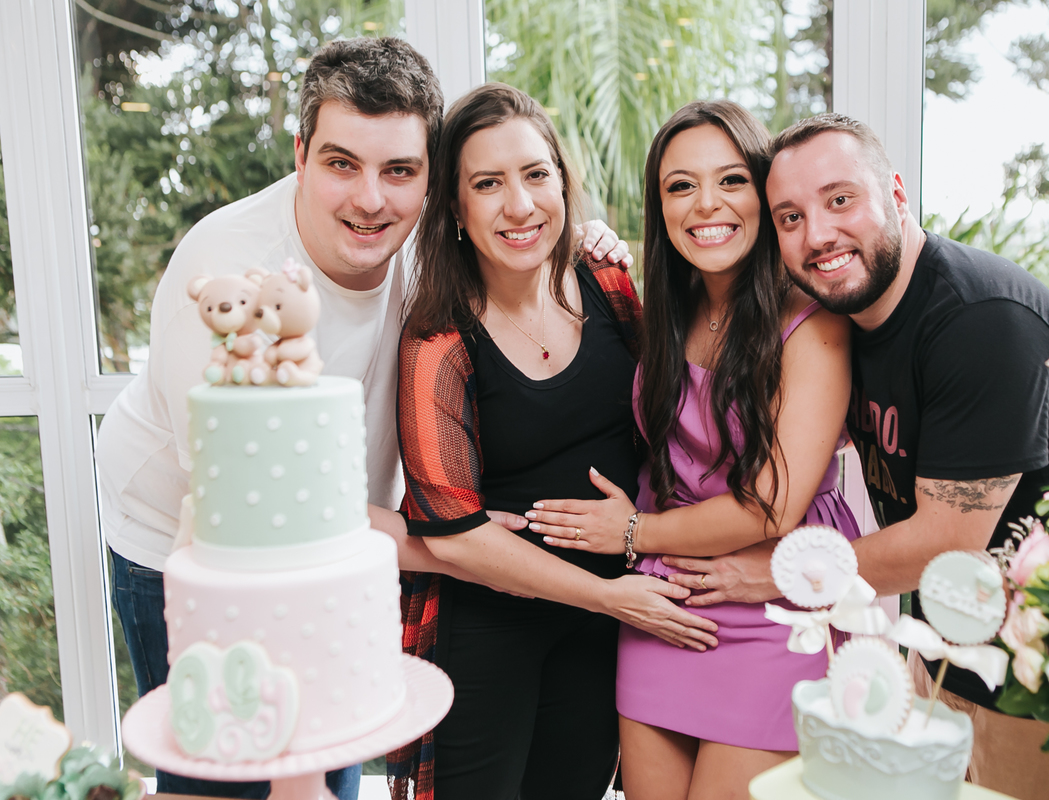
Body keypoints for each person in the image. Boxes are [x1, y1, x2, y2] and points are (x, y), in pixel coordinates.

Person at [95, 37, 628, 798]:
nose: (371, 199)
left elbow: (522, 228)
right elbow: (265, 504)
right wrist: (472, 552)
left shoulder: (424, 242)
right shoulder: (229, 275)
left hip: (351, 543)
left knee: (336, 749)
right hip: (191, 544)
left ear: (430, 179)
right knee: (232, 776)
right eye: (342, 164)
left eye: (400, 171)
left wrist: (586, 239)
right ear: (300, 154)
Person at [657, 112, 1049, 800]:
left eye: (841, 199)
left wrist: (775, 575)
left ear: (897, 193)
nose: (818, 235)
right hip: (945, 654)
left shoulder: (980, 318)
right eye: (791, 217)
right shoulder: (847, 317)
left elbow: (946, 544)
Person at [390, 83, 721, 800]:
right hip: (492, 625)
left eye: (536, 174)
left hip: (606, 624)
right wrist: (608, 597)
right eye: (488, 184)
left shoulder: (608, 283)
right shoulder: (438, 341)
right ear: (454, 208)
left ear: (563, 183)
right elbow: (455, 535)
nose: (520, 205)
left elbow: (672, 415)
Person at [523, 100, 858, 800]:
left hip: (776, 596)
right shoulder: (666, 311)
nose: (707, 204)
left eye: (732, 180)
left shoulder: (813, 322)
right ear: (661, 207)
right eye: (681, 186)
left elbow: (770, 507)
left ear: (765, 194)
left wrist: (632, 532)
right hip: (666, 600)